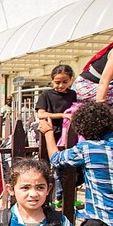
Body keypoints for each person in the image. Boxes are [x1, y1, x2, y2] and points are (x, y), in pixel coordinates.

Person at [36, 65, 77, 203]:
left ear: (71, 80)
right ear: (52, 80)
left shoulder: (73, 95)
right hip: (50, 133)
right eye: (57, 82)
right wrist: (63, 115)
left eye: (64, 82)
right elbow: (41, 113)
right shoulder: (46, 95)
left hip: (68, 135)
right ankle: (50, 197)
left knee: (66, 166)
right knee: (48, 166)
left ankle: (64, 196)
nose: (60, 85)